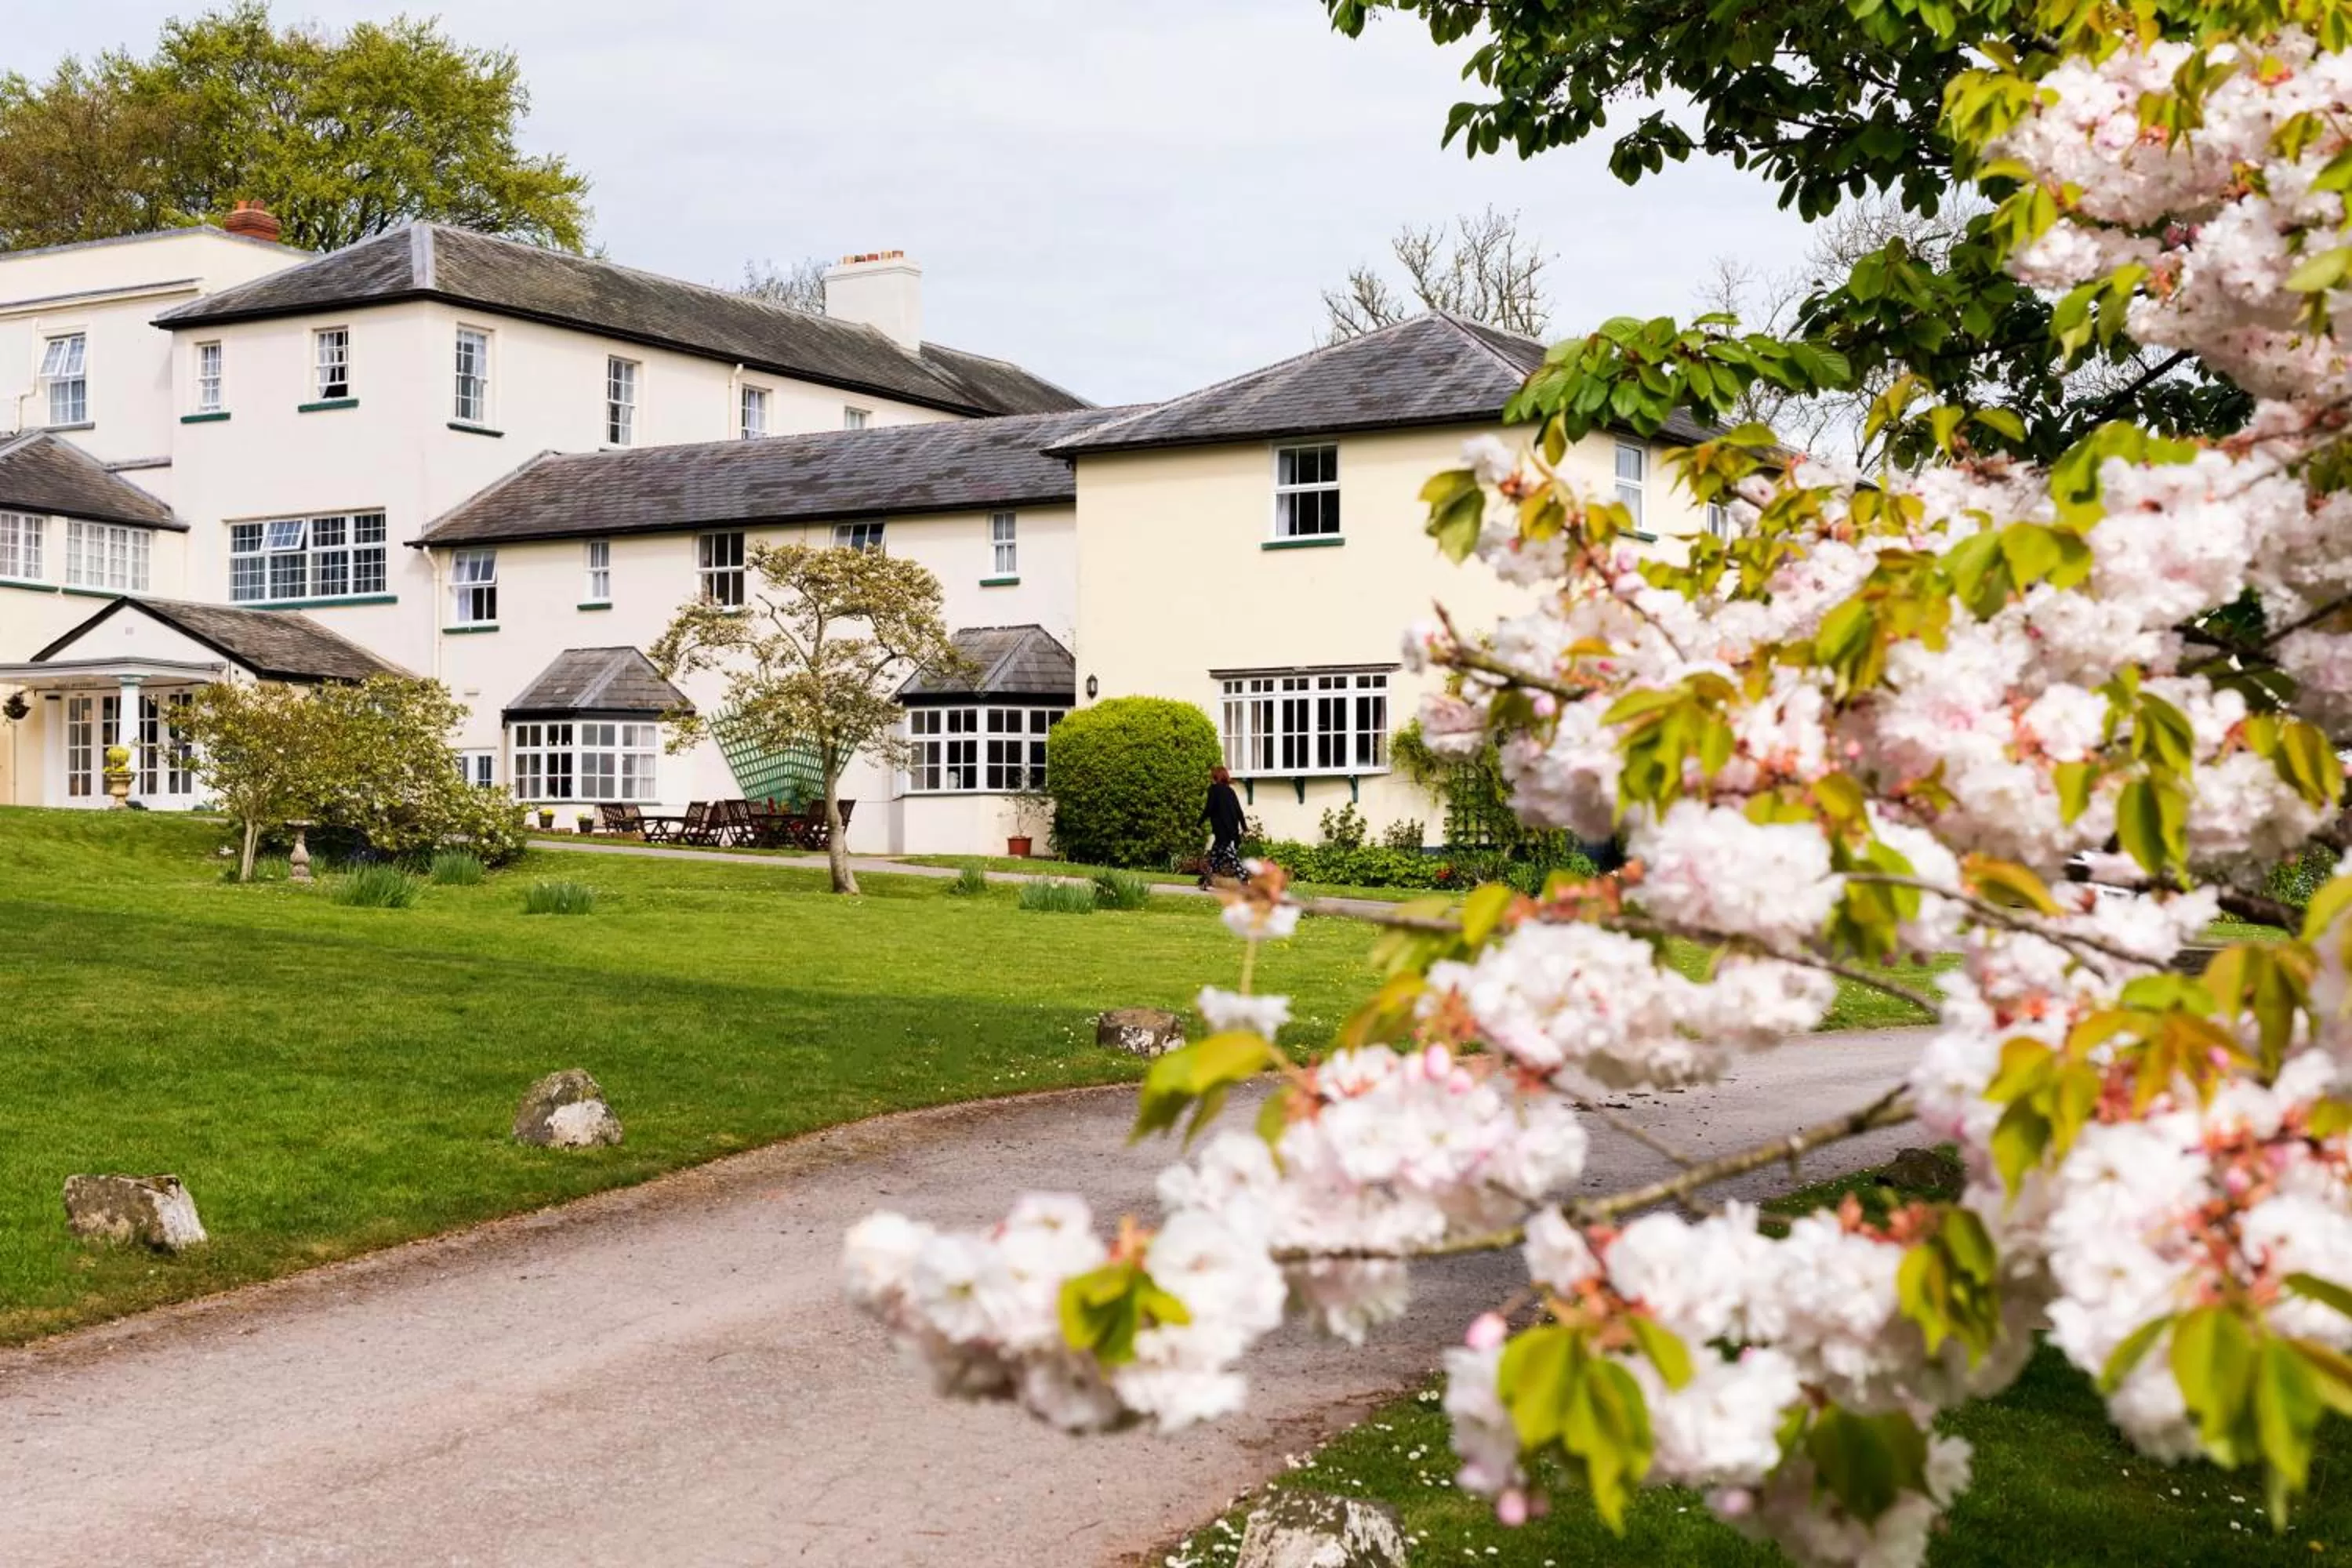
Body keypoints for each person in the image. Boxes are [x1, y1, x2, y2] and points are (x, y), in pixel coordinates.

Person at [1200, 766, 1247, 887]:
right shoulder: (1230, 791)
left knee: (1231, 856)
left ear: (1215, 777)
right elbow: (1239, 811)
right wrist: (1244, 827)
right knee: (1215, 858)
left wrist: (1199, 823)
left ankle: (1243, 876)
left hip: (1222, 830)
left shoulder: (1214, 790)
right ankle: (1206, 881)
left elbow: (1209, 809)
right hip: (1231, 829)